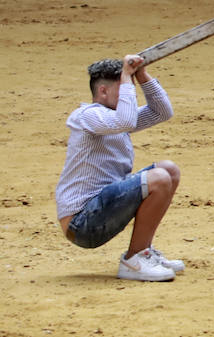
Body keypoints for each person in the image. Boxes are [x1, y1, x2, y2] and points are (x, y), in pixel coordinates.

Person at [55, 54, 182, 282]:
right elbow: (125, 121)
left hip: (102, 208)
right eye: (123, 88)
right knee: (159, 178)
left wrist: (141, 76)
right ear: (103, 92)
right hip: (82, 222)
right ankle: (134, 260)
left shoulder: (114, 119)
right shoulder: (88, 116)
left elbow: (163, 112)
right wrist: (125, 75)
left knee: (169, 170)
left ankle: (144, 252)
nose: (128, 95)